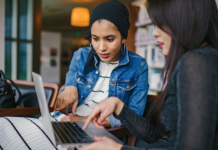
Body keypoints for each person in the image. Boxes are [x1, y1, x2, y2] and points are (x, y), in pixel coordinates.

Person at [79, 0, 218, 149]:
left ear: (183, 20)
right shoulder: (205, 58)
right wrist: (118, 106)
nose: (154, 33)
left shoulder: (196, 62)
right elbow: (154, 135)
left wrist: (117, 148)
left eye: (160, 24)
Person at [55, 0, 149, 128]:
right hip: (69, 120)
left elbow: (134, 116)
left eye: (109, 39)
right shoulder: (80, 55)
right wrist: (69, 86)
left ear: (123, 38)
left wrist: (82, 120)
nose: (101, 48)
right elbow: (70, 80)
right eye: (95, 38)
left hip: (100, 130)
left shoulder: (139, 66)